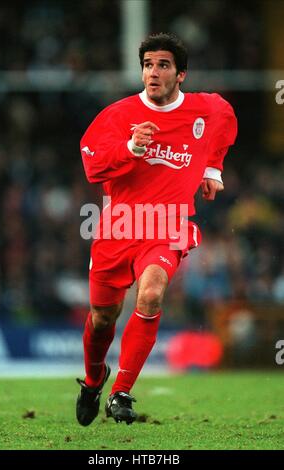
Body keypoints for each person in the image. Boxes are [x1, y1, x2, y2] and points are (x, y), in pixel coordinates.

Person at [76, 32, 237, 426]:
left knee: (150, 295)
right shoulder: (118, 115)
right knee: (102, 316)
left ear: (181, 74)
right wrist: (130, 149)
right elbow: (93, 166)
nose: (153, 72)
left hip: (167, 225)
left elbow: (224, 120)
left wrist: (213, 168)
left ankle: (121, 393)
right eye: (148, 64)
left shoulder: (206, 109)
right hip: (119, 226)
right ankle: (95, 380)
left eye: (163, 65)